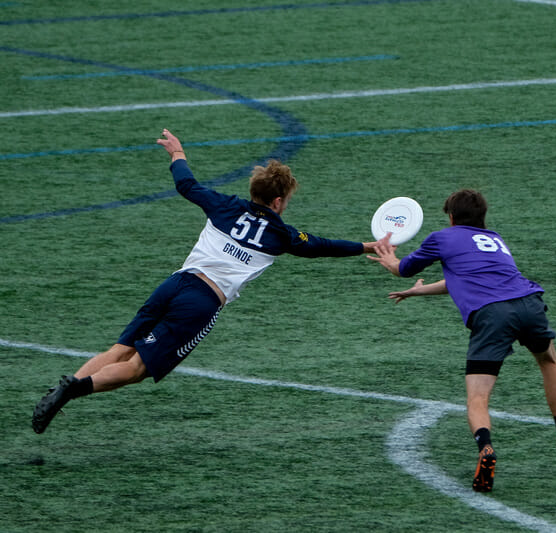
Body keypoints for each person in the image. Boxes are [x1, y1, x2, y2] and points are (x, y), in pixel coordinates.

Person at [32, 128, 392, 434]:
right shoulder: (281, 234)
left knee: (119, 350)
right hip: (201, 303)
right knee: (137, 369)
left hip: (175, 283)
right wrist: (365, 246)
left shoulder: (224, 205)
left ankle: (64, 390)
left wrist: (178, 153)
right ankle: (74, 389)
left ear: (254, 190)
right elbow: (320, 246)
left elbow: (187, 185)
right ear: (279, 201)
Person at [368, 189, 556, 492]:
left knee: (478, 397)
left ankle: (485, 448)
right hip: (529, 303)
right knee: (549, 361)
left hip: (493, 315)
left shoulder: (442, 237)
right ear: (482, 218)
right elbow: (468, 277)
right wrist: (421, 291)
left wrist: (390, 257)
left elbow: (402, 270)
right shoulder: (495, 240)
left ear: (451, 218)